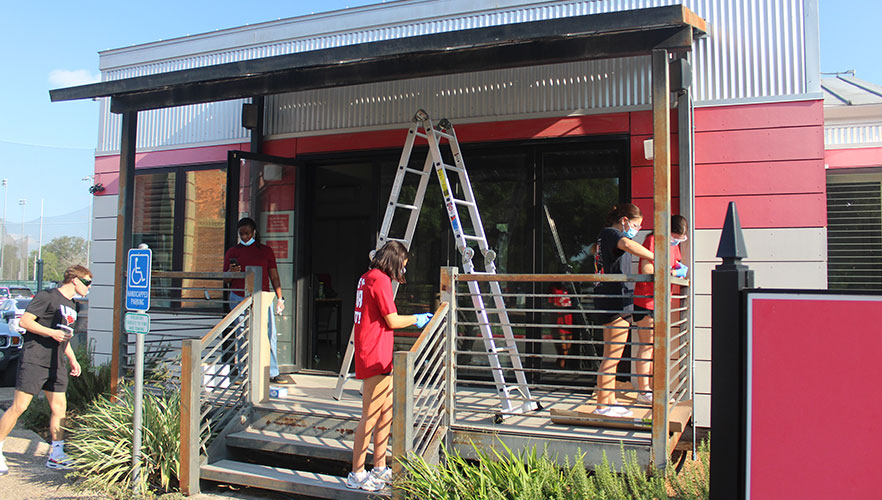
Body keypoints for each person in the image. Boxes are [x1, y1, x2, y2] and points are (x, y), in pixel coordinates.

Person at [347, 241, 432, 491]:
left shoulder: (367, 277)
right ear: (395, 261)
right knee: (370, 416)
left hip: (376, 351)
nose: (403, 272)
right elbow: (392, 320)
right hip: (375, 354)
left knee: (386, 413)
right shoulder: (380, 279)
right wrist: (417, 319)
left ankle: (380, 467)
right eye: (403, 266)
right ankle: (357, 473)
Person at [0, 265, 91, 474]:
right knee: (19, 407)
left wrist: (73, 360)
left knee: (60, 408)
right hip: (35, 359)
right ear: (75, 280)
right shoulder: (47, 297)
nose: (89, 287)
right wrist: (51, 333)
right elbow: (25, 321)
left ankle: (57, 455)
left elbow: (64, 337)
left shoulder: (72, 305)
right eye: (87, 282)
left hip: (57, 363)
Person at [592, 204, 654, 417]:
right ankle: (603, 405)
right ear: (625, 220)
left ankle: (610, 400)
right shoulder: (612, 234)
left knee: (614, 355)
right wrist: (657, 256)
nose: (636, 230)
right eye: (636, 225)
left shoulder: (606, 238)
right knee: (612, 355)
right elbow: (627, 243)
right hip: (614, 301)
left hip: (617, 300)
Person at [631, 215, 689, 403]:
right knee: (647, 345)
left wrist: (680, 268)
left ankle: (656, 389)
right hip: (647, 301)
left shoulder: (673, 245)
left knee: (658, 347)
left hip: (662, 302)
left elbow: (675, 262)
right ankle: (644, 391)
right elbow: (648, 270)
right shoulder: (653, 240)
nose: (677, 240)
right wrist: (672, 273)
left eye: (680, 238)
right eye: (675, 237)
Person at [223, 217, 285, 382]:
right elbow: (226, 280)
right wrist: (231, 271)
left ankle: (272, 371)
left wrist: (280, 298)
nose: (244, 237)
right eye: (241, 234)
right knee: (243, 336)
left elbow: (274, 275)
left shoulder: (265, 251)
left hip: (262, 296)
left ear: (254, 232)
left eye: (247, 233)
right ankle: (245, 372)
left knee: (269, 334)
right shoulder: (233, 252)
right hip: (239, 296)